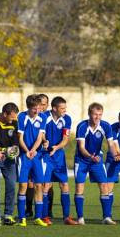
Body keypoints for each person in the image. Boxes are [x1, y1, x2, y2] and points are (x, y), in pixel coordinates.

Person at [74, 102, 117, 225]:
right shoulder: (82, 126)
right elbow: (81, 147)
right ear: (89, 114)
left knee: (104, 186)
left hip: (97, 161)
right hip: (82, 160)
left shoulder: (105, 126)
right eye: (95, 114)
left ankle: (107, 217)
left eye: (100, 114)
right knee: (79, 187)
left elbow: (111, 144)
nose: (97, 117)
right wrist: (90, 156)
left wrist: (115, 155)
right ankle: (80, 218)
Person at [41, 96, 78, 225]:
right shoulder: (44, 117)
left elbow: (65, 139)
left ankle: (66, 217)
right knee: (46, 186)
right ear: (54, 108)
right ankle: (44, 216)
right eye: (62, 108)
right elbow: (41, 133)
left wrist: (56, 147)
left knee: (64, 185)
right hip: (45, 155)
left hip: (58, 156)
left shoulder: (66, 119)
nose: (64, 110)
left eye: (65, 108)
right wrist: (45, 141)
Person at [16, 95, 48, 227]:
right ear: (28, 107)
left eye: (38, 108)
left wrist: (34, 150)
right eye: (34, 108)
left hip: (36, 155)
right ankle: (21, 218)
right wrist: (27, 151)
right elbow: (20, 137)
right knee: (23, 186)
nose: (37, 110)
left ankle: (38, 217)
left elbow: (40, 137)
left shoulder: (43, 117)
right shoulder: (22, 117)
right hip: (24, 156)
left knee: (39, 185)